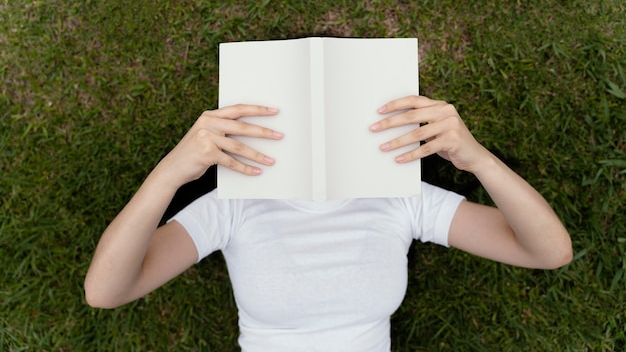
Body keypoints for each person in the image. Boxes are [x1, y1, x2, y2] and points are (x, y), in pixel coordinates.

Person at [84, 95, 573, 352]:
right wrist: (170, 173)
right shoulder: (234, 203)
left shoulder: (400, 196)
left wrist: (478, 161)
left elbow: (547, 251)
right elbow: (106, 290)